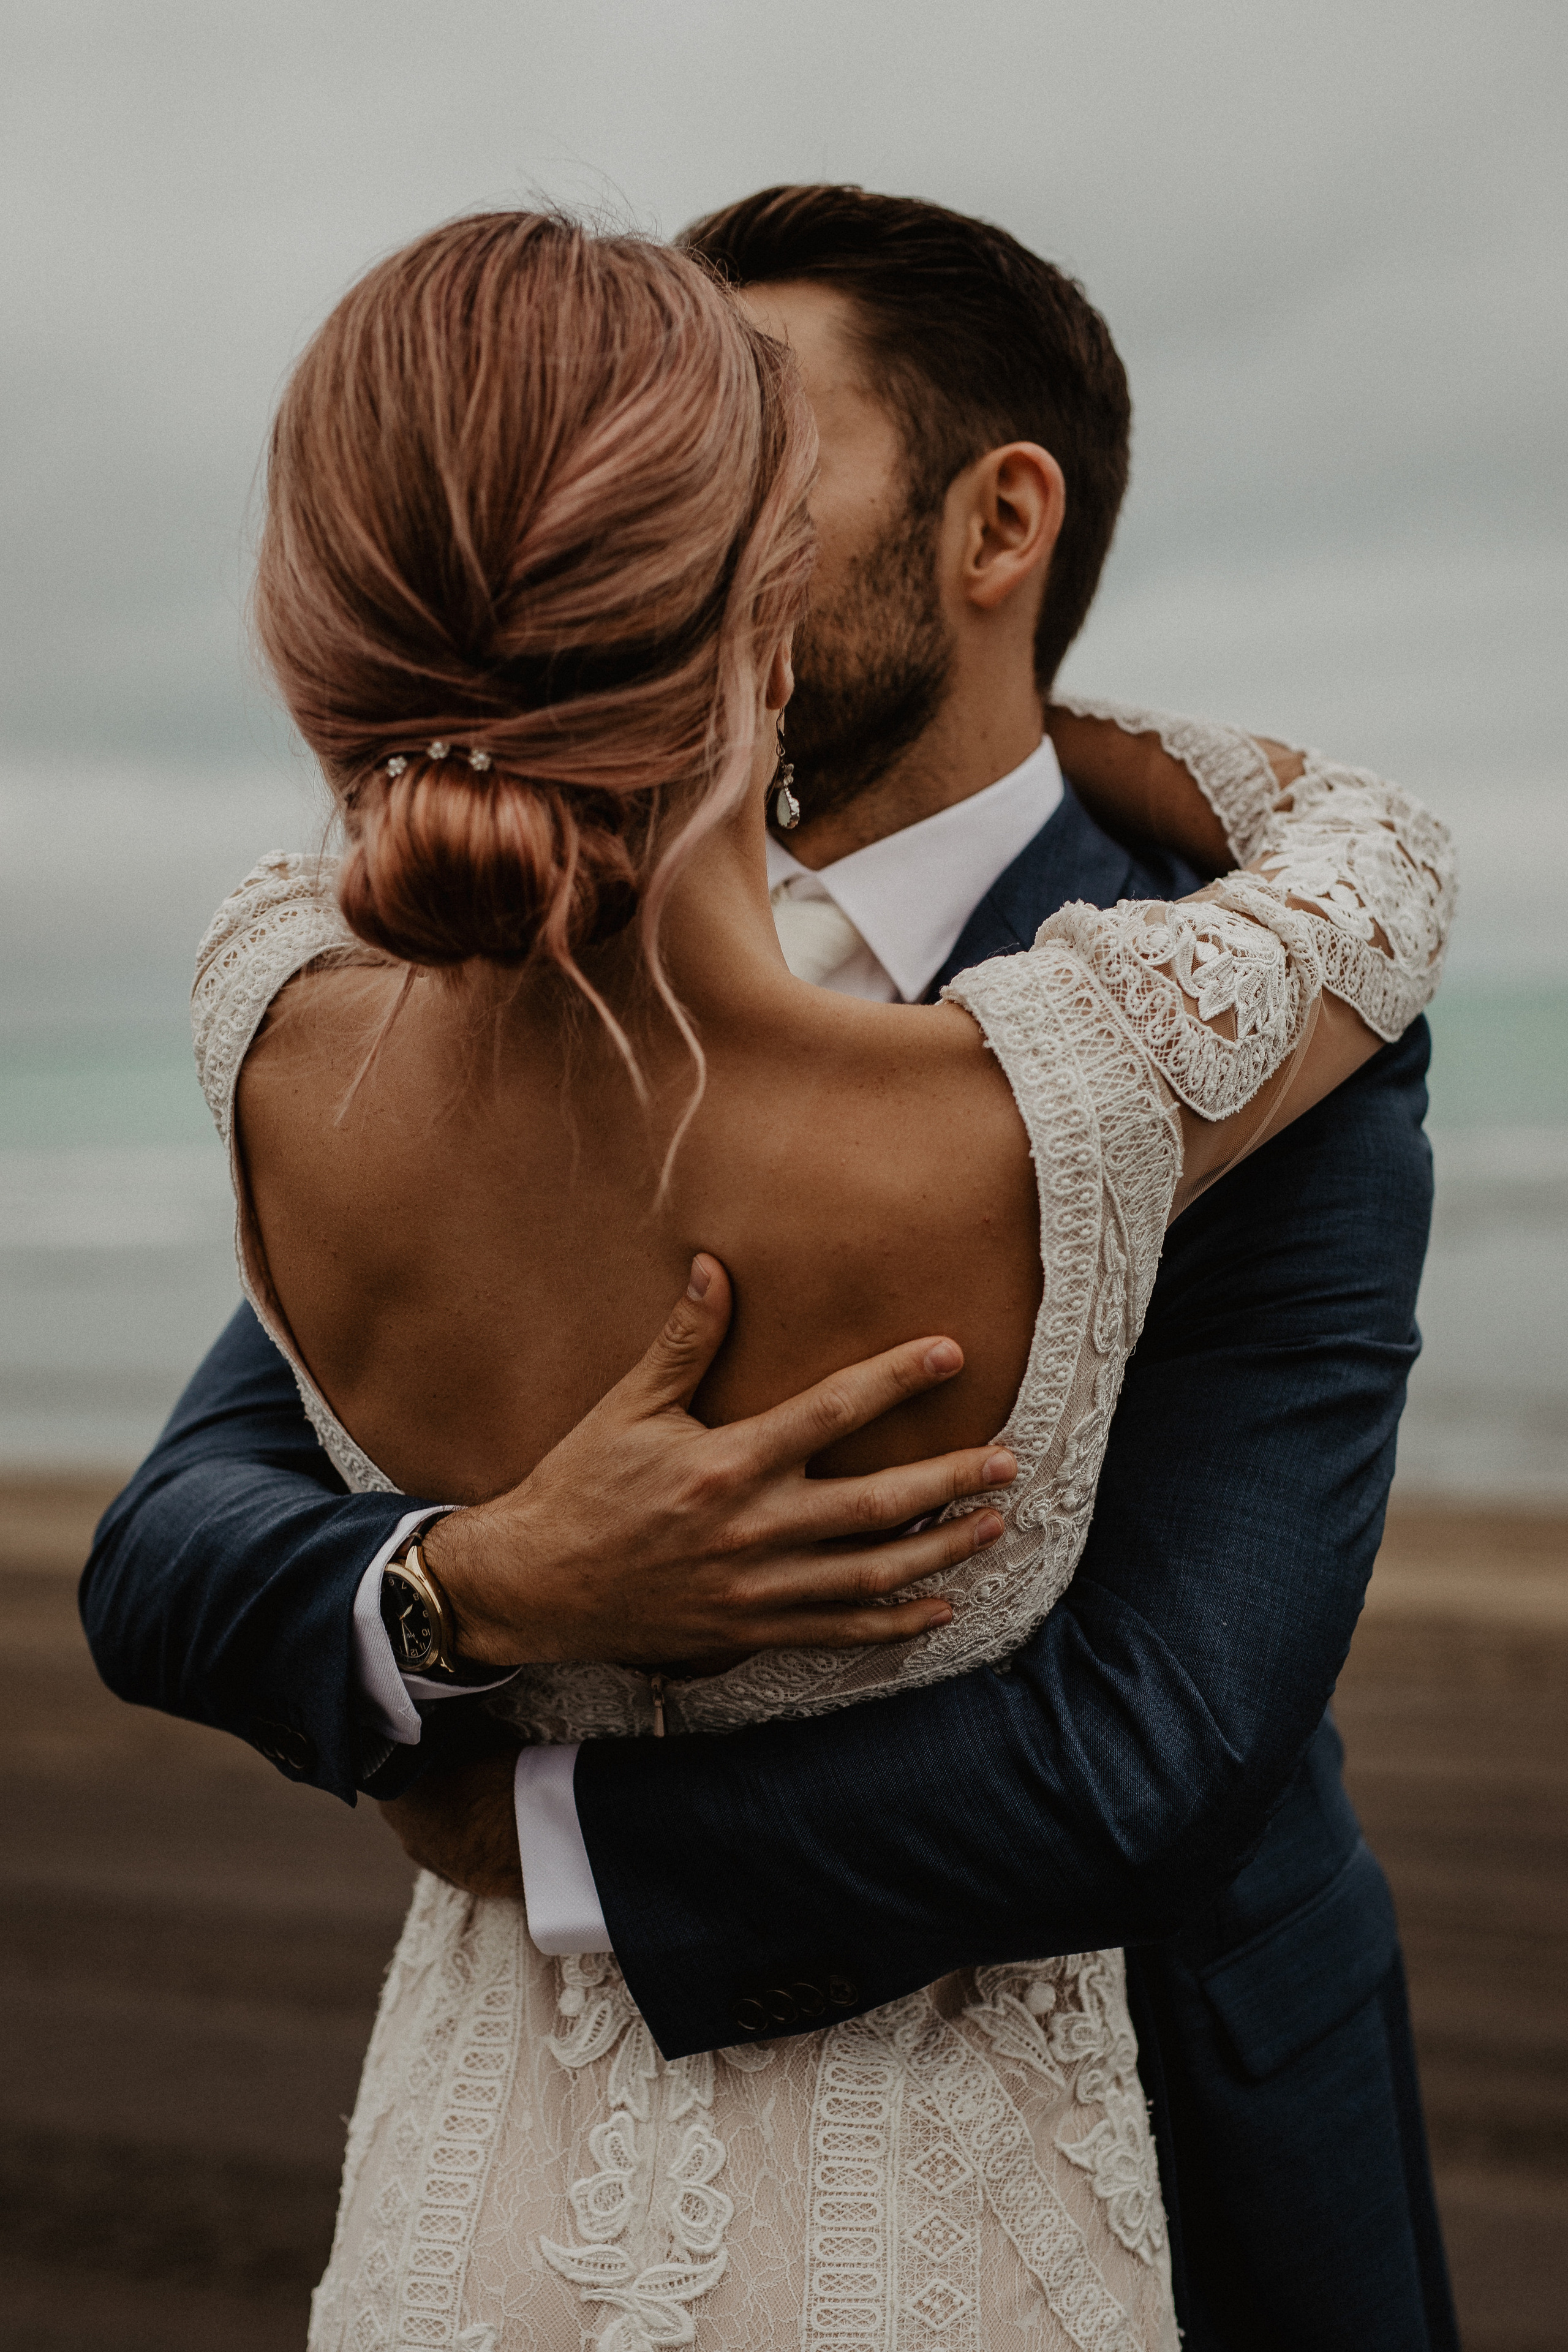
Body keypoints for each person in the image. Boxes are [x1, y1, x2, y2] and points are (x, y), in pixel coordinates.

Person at [79, 190, 1460, 2350]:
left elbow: (1157, 1743)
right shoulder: (499, 991)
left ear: (999, 522)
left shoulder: (1259, 1058)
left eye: (737, 431)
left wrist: (538, 1840)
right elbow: (178, 1541)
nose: (656, 488)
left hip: (1187, 2129)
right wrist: (488, 1584)